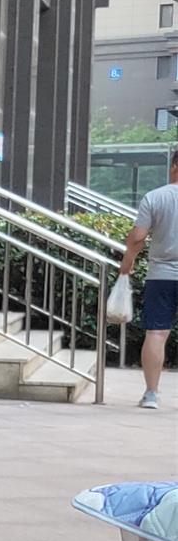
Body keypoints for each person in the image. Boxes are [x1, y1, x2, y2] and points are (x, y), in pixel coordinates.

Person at [120, 147, 178, 409]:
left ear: (174, 166)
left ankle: (151, 394)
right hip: (162, 275)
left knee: (157, 332)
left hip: (161, 276)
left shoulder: (155, 197)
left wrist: (127, 264)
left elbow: (138, 238)